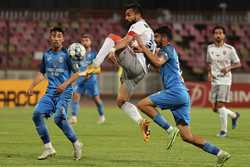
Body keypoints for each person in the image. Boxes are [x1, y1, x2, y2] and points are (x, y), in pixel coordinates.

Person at [135, 26, 231, 167]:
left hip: (175, 91)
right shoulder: (166, 52)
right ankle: (220, 153)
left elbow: (157, 62)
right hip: (182, 95)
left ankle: (169, 129)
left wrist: (143, 47)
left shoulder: (167, 50)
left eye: (157, 37)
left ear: (164, 38)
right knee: (187, 137)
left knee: (142, 104)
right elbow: (157, 64)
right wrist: (144, 52)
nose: (155, 40)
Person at [90, 3, 156, 142]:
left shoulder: (138, 25)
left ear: (137, 14)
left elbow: (126, 40)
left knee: (112, 37)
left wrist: (113, 50)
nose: (126, 18)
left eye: (129, 15)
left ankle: (95, 65)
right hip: (141, 72)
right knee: (121, 101)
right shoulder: (150, 32)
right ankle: (141, 122)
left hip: (136, 65)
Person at [27, 27, 82, 160]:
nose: (56, 38)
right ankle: (48, 148)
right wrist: (32, 85)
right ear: (49, 38)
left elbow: (76, 74)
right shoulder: (46, 55)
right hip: (50, 92)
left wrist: (64, 85)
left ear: (63, 39)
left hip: (65, 92)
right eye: (54, 36)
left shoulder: (68, 55)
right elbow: (42, 73)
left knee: (58, 118)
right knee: (36, 114)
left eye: (59, 36)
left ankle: (76, 143)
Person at [207, 25, 241, 137]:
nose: (218, 35)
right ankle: (234, 115)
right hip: (214, 80)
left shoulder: (229, 49)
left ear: (224, 35)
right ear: (213, 35)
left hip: (225, 80)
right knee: (215, 108)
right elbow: (209, 63)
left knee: (221, 105)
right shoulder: (210, 48)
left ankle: (223, 131)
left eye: (220, 33)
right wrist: (209, 73)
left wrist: (228, 68)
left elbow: (238, 63)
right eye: (216, 33)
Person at [69, 34, 105, 124]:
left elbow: (98, 69)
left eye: (87, 40)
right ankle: (74, 117)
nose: (85, 42)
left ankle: (102, 115)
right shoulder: (77, 54)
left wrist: (88, 72)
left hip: (91, 80)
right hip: (80, 79)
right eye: (83, 40)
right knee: (75, 96)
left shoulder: (94, 54)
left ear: (90, 42)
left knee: (96, 99)